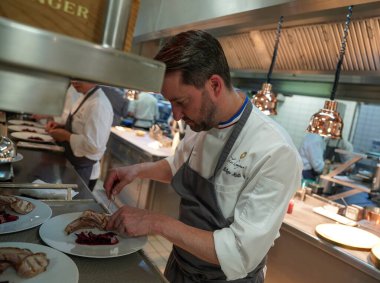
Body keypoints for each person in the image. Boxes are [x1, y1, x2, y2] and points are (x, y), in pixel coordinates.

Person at [104, 30, 302, 282]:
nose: (175, 115)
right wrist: (135, 171)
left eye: (181, 102)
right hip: (181, 269)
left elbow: (240, 252)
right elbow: (177, 166)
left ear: (215, 85)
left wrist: (155, 222)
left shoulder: (275, 152)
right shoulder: (201, 123)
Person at [47, 80, 113, 190]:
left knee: (70, 205)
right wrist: (61, 125)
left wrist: (66, 136)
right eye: (73, 78)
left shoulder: (99, 104)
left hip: (83, 170)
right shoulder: (86, 96)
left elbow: (93, 145)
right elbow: (80, 127)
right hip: (73, 163)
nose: (74, 82)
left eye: (80, 78)